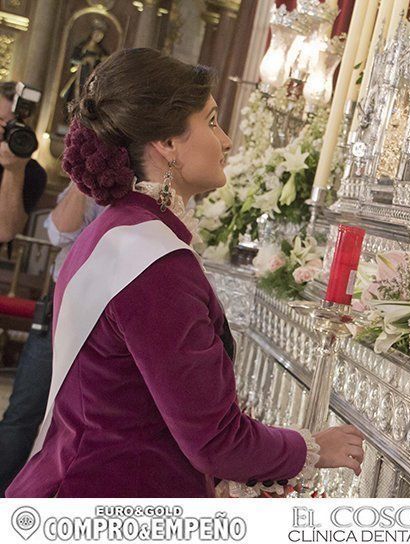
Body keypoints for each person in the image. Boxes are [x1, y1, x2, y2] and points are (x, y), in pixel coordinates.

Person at [6, 48, 364, 498]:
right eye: (212, 121)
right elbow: (215, 441)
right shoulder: (155, 265)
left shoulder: (118, 229)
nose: (227, 139)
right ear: (168, 143)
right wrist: (312, 448)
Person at [0, 183, 105, 496]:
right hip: (62, 311)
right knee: (23, 413)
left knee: (85, 427)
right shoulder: (91, 178)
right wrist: (84, 179)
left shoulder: (157, 184)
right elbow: (58, 234)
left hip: (110, 320)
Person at [0, 81, 48, 243]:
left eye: (12, 124)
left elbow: (4, 232)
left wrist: (14, 170)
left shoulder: (33, 173)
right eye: (1, 121)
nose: (6, 130)